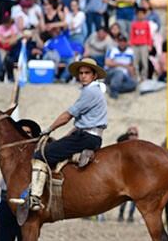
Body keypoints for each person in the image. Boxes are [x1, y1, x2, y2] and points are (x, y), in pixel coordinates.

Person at [12, 59, 107, 211]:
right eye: (81, 73)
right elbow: (81, 123)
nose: (83, 76)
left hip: (85, 138)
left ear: (94, 75)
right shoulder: (94, 91)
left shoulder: (89, 91)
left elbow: (67, 115)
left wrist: (48, 129)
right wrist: (67, 137)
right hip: (91, 136)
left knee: (40, 155)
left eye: (87, 73)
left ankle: (35, 198)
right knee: (58, 147)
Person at [116, 127, 139, 222]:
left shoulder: (139, 147)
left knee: (134, 198)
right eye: (131, 134)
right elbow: (119, 139)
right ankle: (121, 213)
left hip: (135, 176)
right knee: (124, 197)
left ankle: (130, 215)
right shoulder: (124, 146)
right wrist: (127, 134)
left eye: (135, 134)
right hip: (125, 176)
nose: (133, 136)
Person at [104, 35, 138, 99]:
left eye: (124, 41)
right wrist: (122, 65)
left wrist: (133, 76)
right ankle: (114, 92)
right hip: (113, 73)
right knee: (119, 72)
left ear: (126, 42)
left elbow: (132, 66)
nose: (122, 43)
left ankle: (112, 89)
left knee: (133, 84)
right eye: (120, 41)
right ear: (118, 42)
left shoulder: (130, 51)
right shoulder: (112, 50)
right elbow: (107, 63)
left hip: (125, 75)